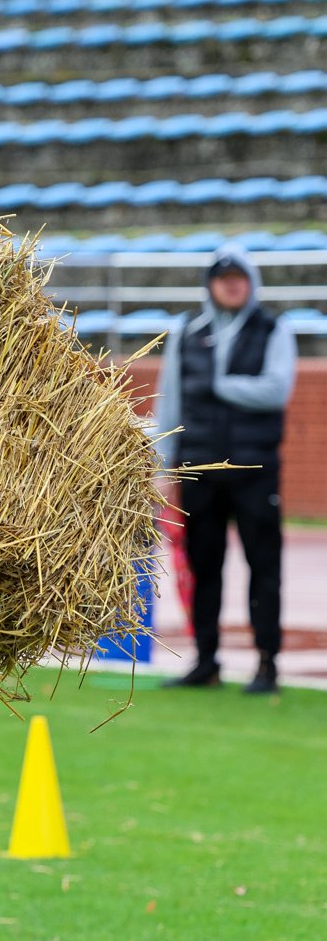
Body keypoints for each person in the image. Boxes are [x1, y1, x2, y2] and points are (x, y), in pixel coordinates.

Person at [154, 243, 297, 694]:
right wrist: (164, 467)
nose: (231, 286)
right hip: (199, 470)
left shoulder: (273, 329)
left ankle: (267, 664)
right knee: (203, 566)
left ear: (251, 283)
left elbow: (276, 390)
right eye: (223, 279)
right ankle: (206, 660)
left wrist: (221, 384)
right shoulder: (186, 332)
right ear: (210, 285)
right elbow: (169, 402)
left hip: (255, 471)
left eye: (239, 279)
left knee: (264, 566)